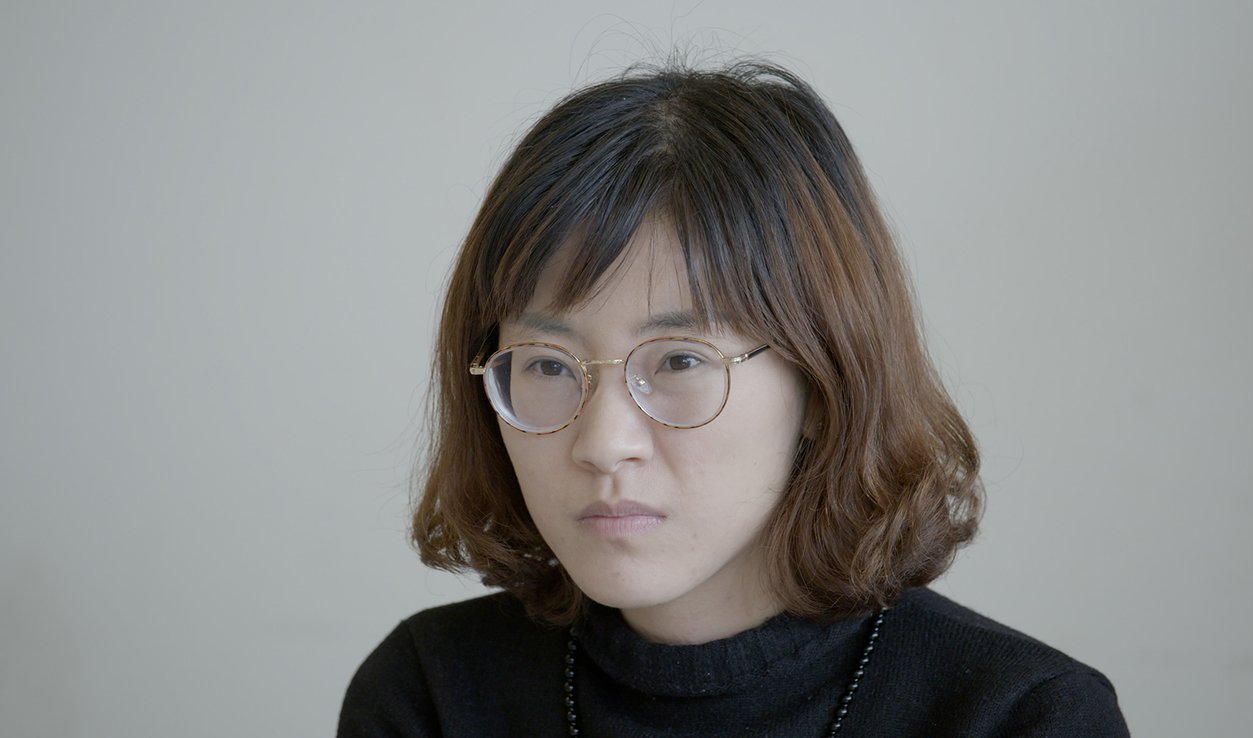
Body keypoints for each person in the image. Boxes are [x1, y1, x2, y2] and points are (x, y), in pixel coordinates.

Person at [339, 60, 1130, 737]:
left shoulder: (1017, 716)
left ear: (821, 384)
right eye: (546, 365)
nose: (603, 442)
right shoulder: (432, 697)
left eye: (679, 358)